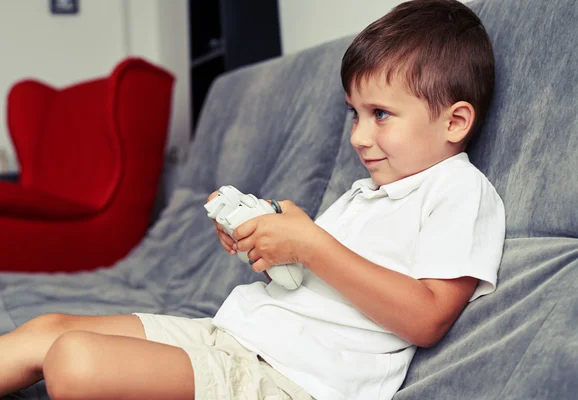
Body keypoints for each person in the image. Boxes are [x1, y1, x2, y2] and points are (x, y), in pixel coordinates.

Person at [0, 0, 505, 399]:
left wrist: (311, 244)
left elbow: (429, 317)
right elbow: (312, 283)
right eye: (354, 113)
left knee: (74, 361)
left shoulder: (457, 189)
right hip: (237, 336)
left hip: (291, 378)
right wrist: (268, 247)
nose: (358, 136)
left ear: (455, 121)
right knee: (48, 329)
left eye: (380, 114)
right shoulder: (366, 193)